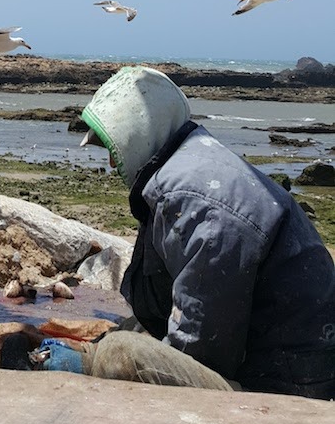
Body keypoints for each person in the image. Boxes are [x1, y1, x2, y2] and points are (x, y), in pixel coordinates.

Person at [75, 65, 335, 398]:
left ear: (136, 132)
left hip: (284, 385)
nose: (112, 165)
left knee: (119, 353)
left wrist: (89, 360)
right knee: (127, 333)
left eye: (113, 150)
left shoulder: (195, 200)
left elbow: (203, 349)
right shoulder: (193, 164)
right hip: (289, 361)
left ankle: (49, 365)